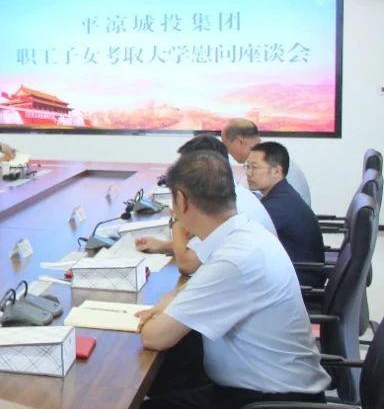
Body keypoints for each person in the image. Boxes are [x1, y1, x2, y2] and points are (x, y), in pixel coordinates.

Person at [119, 151, 329, 409]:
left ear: (181, 201)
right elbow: (191, 287)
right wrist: (171, 305)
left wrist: (162, 314)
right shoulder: (241, 235)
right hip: (273, 400)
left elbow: (156, 336)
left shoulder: (235, 257)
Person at [136, 135, 275, 275]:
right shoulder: (227, 193)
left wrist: (177, 217)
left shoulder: (228, 206)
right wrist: (163, 246)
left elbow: (187, 263)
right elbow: (207, 248)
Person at [246, 142, 325, 287]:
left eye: (254, 167)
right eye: (247, 166)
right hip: (293, 274)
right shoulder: (282, 194)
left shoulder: (279, 205)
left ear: (277, 171)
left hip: (299, 281)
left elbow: (243, 236)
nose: (248, 173)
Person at [222, 118, 311, 206]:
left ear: (240, 142)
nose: (228, 153)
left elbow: (242, 204)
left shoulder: (266, 162)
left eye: (226, 146)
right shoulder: (268, 157)